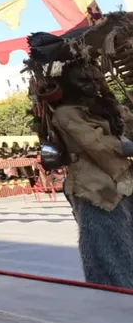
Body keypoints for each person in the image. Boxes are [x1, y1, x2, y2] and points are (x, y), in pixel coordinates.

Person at [44, 62, 133, 289]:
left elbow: (127, 128)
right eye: (82, 81)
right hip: (95, 189)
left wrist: (123, 115)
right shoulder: (65, 114)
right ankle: (113, 298)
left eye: (95, 79)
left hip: (125, 183)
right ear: (67, 85)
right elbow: (97, 144)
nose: (91, 86)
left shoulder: (107, 108)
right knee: (107, 250)